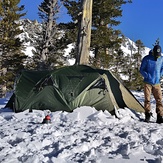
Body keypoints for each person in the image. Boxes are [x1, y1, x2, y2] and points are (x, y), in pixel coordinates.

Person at [140, 44, 163, 123]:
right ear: (153, 52)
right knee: (147, 99)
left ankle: (159, 116)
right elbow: (141, 69)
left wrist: (160, 74)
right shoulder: (147, 59)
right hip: (148, 83)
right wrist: (147, 75)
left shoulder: (161, 59)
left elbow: (162, 68)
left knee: (159, 99)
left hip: (157, 83)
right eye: (156, 55)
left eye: (159, 55)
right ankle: (147, 114)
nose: (157, 57)